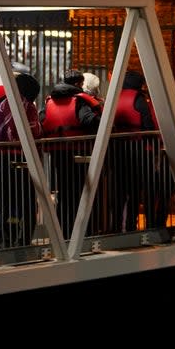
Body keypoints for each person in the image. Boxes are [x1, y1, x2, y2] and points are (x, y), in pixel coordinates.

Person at [40, 70, 101, 237]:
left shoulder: (50, 100)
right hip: (78, 152)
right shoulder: (80, 101)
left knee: (64, 193)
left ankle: (63, 232)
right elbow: (87, 120)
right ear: (77, 84)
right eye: (81, 84)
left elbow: (42, 120)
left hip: (57, 152)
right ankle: (83, 233)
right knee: (81, 193)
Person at [0, 73, 43, 249]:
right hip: (22, 162)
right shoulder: (28, 107)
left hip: (1, 161)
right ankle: (21, 242)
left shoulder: (3, 104)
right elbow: (36, 133)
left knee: (0, 205)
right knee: (26, 204)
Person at [111, 71, 158, 233]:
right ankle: (132, 226)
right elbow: (147, 124)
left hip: (117, 150)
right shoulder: (138, 99)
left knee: (119, 192)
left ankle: (116, 227)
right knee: (135, 191)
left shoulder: (114, 97)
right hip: (139, 150)